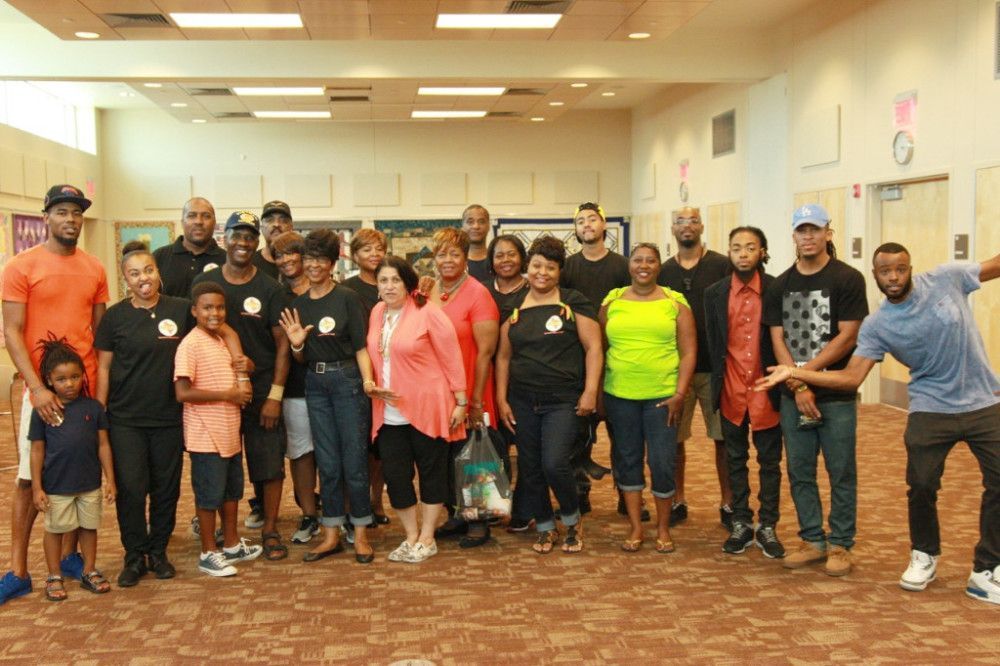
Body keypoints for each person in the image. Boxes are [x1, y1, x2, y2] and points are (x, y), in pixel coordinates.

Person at [756, 242, 1000, 605]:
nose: (894, 277)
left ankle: (987, 568)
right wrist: (796, 373)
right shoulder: (878, 325)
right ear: (876, 275)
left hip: (984, 402)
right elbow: (851, 378)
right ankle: (924, 554)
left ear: (910, 268)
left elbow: (995, 265)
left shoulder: (947, 279)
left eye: (900, 269)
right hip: (930, 407)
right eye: (886, 272)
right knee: (921, 485)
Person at [96, 241, 240, 587]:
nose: (143, 278)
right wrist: (100, 412)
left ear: (157, 273)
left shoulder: (180, 309)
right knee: (132, 490)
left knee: (166, 489)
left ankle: (158, 552)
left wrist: (239, 360)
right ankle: (135, 556)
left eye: (148, 270)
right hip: (126, 419)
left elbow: (221, 326)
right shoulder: (115, 317)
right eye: (134, 273)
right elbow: (103, 367)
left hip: (168, 418)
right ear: (125, 279)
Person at [1, 184, 109, 606]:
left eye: (76, 213)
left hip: (84, 393)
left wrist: (99, 393)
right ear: (46, 217)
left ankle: (68, 558)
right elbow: (12, 331)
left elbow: (100, 335)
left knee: (79, 475)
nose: (70, 219)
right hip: (42, 392)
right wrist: (37, 387)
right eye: (62, 212)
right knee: (30, 479)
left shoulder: (94, 268)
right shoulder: (21, 266)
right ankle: (18, 570)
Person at [763, 204, 868, 577]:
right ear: (793, 235)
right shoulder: (780, 285)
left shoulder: (847, 278)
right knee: (800, 470)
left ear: (828, 233)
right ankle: (812, 539)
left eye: (815, 229)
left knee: (841, 471)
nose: (808, 236)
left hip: (835, 396)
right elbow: (777, 338)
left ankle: (840, 544)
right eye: (801, 230)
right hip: (794, 396)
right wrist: (798, 385)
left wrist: (802, 375)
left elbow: (848, 336)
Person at [192, 211, 291, 561]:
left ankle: (270, 529)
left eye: (249, 237)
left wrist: (275, 396)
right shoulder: (207, 282)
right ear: (225, 239)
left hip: (262, 390)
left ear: (256, 241)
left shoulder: (271, 288)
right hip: (219, 392)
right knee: (222, 465)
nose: (243, 243)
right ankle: (228, 531)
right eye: (237, 235)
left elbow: (282, 346)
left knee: (269, 464)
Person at [496, 236, 603, 554]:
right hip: (522, 400)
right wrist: (501, 398)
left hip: (563, 400)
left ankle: (571, 520)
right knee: (530, 467)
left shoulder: (573, 302)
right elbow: (503, 357)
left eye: (551, 267)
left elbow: (594, 348)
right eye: (537, 266)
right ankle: (544, 526)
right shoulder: (514, 306)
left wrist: (590, 391)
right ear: (527, 267)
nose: (542, 273)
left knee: (554, 463)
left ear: (559, 272)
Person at [279, 229, 376, 564]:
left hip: (348, 380)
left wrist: (367, 382)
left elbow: (361, 347)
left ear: (333, 263)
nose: (314, 265)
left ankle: (360, 533)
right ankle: (331, 533)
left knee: (354, 460)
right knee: (328, 461)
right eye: (309, 259)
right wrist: (296, 344)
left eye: (321, 259)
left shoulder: (348, 297)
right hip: (315, 383)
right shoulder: (299, 305)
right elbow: (301, 358)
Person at [366, 255, 468, 563]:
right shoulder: (377, 312)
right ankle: (411, 536)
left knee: (431, 473)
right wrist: (370, 383)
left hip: (428, 406)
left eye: (395, 280)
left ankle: (427, 537)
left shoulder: (427, 311)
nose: (389, 286)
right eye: (383, 280)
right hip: (388, 411)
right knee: (396, 477)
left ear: (408, 283)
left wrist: (461, 401)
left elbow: (451, 356)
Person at [600, 242, 694, 554]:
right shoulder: (612, 300)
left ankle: (663, 527)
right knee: (627, 460)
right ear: (629, 265)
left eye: (650, 260)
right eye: (638, 260)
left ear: (659, 266)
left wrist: (680, 393)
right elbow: (599, 348)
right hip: (620, 395)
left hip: (662, 398)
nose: (643, 265)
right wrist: (598, 392)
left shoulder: (674, 302)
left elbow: (688, 351)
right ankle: (636, 527)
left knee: (662, 462)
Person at [704, 227, 785, 558]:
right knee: (734, 459)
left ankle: (768, 525)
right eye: (736, 247)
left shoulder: (777, 288)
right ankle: (740, 521)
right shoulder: (714, 293)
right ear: (729, 252)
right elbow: (714, 341)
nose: (742, 253)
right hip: (731, 388)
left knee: (770, 461)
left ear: (762, 252)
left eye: (750, 247)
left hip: (767, 389)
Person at [174, 281, 260, 577]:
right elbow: (183, 392)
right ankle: (209, 552)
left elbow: (237, 368)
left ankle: (232, 543)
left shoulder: (222, 339)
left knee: (231, 491)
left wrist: (247, 366)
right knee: (209, 495)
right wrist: (228, 395)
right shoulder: (191, 344)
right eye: (207, 307)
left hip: (228, 430)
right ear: (194, 311)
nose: (215, 313)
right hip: (205, 434)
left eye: (220, 307)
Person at [657, 205, 733, 529]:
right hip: (676, 371)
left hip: (717, 368)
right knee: (673, 441)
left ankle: (729, 503)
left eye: (692, 221)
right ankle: (678, 500)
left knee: (724, 439)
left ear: (702, 226)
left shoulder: (722, 265)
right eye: (680, 221)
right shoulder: (662, 271)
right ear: (672, 229)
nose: (686, 226)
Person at [426, 228, 500, 549]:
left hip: (471, 387)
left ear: (466, 257)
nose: (447, 260)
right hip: (437, 392)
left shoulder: (478, 294)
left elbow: (485, 353)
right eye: (441, 254)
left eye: (454, 254)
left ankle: (479, 521)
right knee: (444, 457)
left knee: (474, 457)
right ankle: (456, 513)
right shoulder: (427, 290)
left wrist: (476, 401)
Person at [30, 337, 115, 601]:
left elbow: (103, 445)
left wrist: (110, 480)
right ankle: (54, 575)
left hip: (89, 484)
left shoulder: (93, 408)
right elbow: (37, 450)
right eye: (62, 379)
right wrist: (37, 487)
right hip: (57, 485)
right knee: (55, 529)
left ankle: (89, 570)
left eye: (75, 377)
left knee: (89, 527)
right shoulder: (43, 411)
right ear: (49, 380)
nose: (69, 384)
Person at [560, 202, 630, 514]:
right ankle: (580, 492)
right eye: (580, 221)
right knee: (578, 436)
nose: (586, 225)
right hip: (577, 362)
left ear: (604, 225)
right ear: (575, 230)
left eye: (592, 219)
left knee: (623, 437)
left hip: (618, 361)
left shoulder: (622, 266)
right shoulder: (567, 269)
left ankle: (627, 494)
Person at [267, 232, 322, 544]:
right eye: (279, 255)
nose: (286, 259)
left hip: (331, 386)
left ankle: (338, 513)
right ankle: (309, 513)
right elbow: (281, 349)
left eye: (292, 253)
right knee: (301, 453)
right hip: (294, 388)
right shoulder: (278, 296)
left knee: (332, 451)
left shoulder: (327, 290)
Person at [342, 228, 390, 524]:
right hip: (358, 372)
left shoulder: (394, 282)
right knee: (361, 443)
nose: (374, 254)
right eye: (366, 249)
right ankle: (357, 503)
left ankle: (377, 499)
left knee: (383, 445)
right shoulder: (347, 289)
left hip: (391, 371)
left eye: (379, 248)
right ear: (354, 255)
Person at [485, 234, 532, 532]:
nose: (505, 260)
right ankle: (493, 505)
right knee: (493, 446)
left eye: (511, 254)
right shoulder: (482, 291)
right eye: (499, 255)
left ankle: (524, 508)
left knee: (527, 448)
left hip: (525, 379)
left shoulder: (533, 290)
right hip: (487, 380)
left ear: (522, 258)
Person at [152, 197, 227, 298]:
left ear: (214, 223)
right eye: (192, 216)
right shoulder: (159, 257)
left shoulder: (227, 260)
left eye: (206, 216)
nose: (199, 221)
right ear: (182, 222)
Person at [253, 200, 295, 280]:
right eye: (270, 220)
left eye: (283, 221)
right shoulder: (250, 263)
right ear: (262, 228)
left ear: (291, 227)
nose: (276, 224)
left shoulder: (302, 263)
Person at [462, 204, 492, 284]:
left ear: (489, 226)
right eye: (470, 222)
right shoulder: (456, 262)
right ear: (463, 226)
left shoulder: (497, 261)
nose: (476, 226)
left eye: (481, 222)